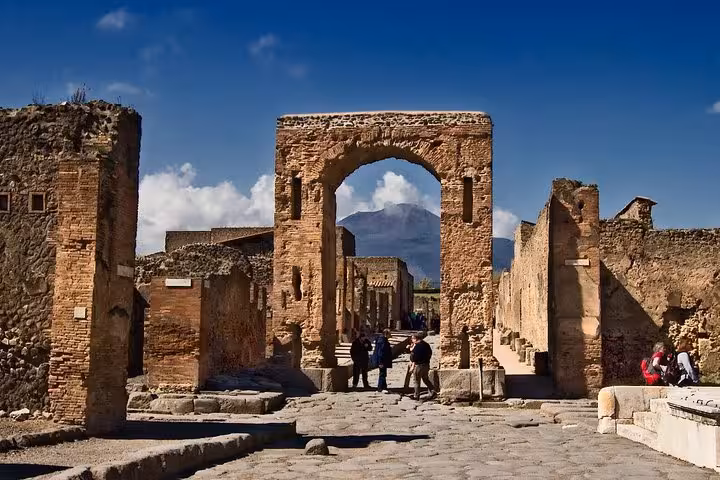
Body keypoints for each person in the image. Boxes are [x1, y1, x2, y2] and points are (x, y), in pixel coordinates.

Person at [410, 332, 436, 400]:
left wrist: (411, 349)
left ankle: (416, 395)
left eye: (412, 338)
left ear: (415, 339)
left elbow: (413, 357)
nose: (412, 340)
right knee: (425, 379)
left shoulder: (417, 346)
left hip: (419, 366)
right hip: (426, 365)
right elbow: (430, 353)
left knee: (416, 380)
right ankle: (433, 391)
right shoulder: (426, 344)